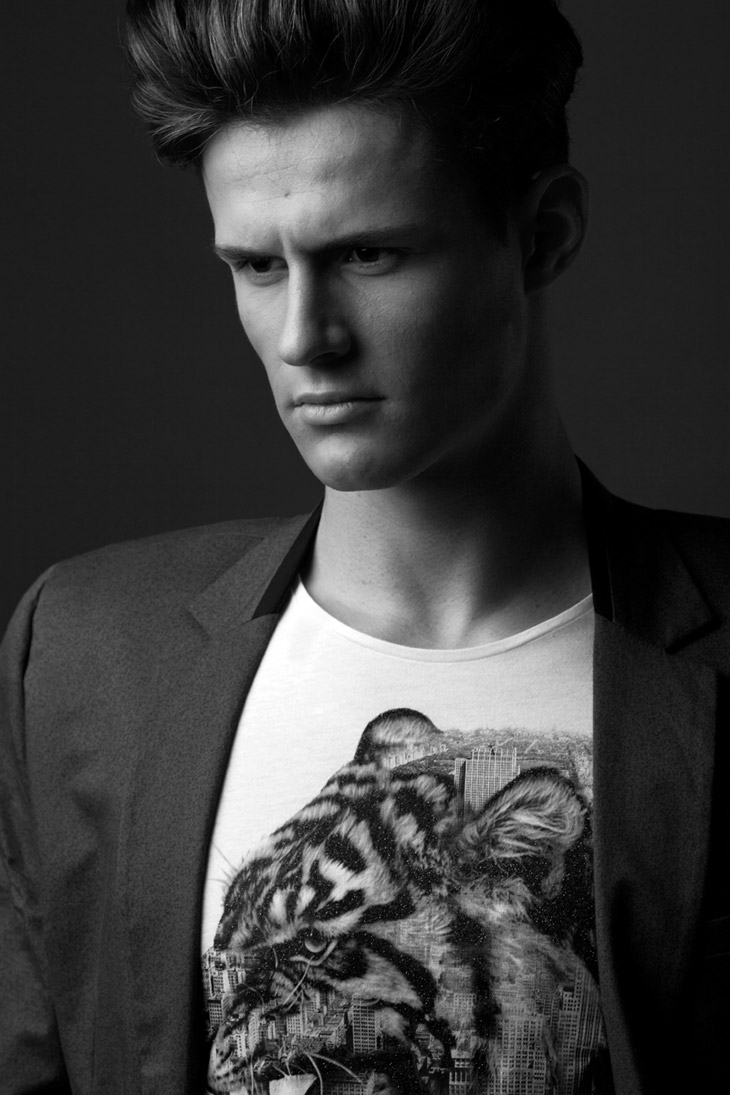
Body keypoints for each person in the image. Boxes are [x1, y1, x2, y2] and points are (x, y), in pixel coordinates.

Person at [1, 1, 727, 1093]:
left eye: (369, 253)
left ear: (543, 234)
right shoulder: (80, 654)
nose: (306, 338)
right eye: (257, 267)